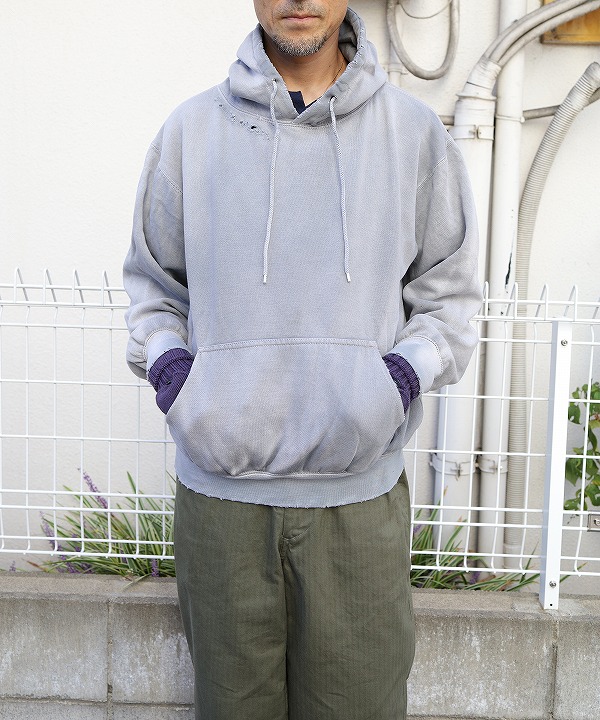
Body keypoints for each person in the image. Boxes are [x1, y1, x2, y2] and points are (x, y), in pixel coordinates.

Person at [123, 1, 481, 718]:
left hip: (357, 504)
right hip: (222, 504)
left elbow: (449, 298)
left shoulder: (412, 135)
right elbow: (153, 290)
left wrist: (393, 383)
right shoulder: (191, 133)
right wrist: (178, 380)